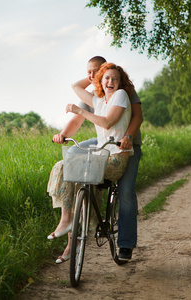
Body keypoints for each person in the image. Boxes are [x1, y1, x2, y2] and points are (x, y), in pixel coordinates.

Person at [47, 62, 134, 263]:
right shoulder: (99, 99)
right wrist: (94, 76)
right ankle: (67, 219)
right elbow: (75, 87)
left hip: (116, 158)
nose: (111, 82)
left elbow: (107, 122)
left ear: (120, 83)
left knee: (79, 167)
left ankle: (87, 225)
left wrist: (80, 111)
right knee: (64, 165)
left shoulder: (120, 96)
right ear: (100, 81)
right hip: (100, 156)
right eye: (107, 78)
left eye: (115, 79)